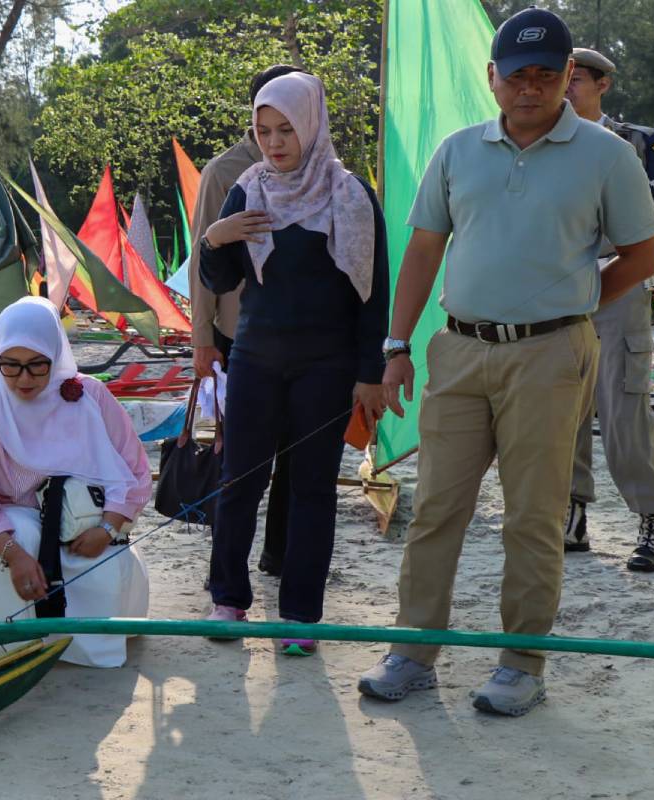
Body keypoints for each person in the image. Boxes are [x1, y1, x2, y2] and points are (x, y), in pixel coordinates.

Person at [357, 8, 654, 716]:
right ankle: (412, 653)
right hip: (459, 352)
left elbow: (645, 254)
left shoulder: (606, 154)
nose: (530, 87)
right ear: (490, 77)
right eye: (516, 74)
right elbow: (425, 251)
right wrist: (397, 348)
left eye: (546, 74)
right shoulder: (457, 151)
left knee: (534, 515)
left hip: (552, 354)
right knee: (436, 509)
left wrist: (581, 300)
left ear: (567, 79)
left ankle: (522, 664)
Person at [199, 72, 389, 653]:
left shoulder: (350, 194)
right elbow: (222, 280)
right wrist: (216, 238)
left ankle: (301, 618)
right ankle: (227, 598)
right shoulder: (248, 190)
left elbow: (373, 293)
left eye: (285, 130)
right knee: (241, 480)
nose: (274, 142)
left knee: (312, 489)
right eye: (263, 130)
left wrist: (370, 374)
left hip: (326, 366)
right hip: (255, 357)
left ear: (310, 125)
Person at [0, 296, 152, 668]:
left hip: (81, 522)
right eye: (10, 366)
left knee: (105, 562)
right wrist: (13, 553)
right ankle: (5, 642)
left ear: (56, 356)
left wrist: (108, 528)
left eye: (37, 366)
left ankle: (74, 643)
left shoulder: (88, 396)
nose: (24, 379)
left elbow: (135, 473)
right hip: (6, 520)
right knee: (26, 532)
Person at [563, 47, 654, 570]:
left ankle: (652, 519)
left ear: (603, 84)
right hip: (560, 292)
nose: (566, 88)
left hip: (620, 286)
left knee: (624, 410)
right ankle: (570, 512)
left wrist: (645, 278)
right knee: (559, 409)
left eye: (577, 79)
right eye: (560, 77)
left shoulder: (636, 141)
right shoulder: (542, 141)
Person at [189, 63, 304, 578]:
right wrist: (201, 340)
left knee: (298, 459)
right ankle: (227, 568)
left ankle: (280, 553)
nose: (278, 135)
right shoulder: (224, 172)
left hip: (308, 341)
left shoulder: (325, 173)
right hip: (240, 337)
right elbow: (203, 260)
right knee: (242, 461)